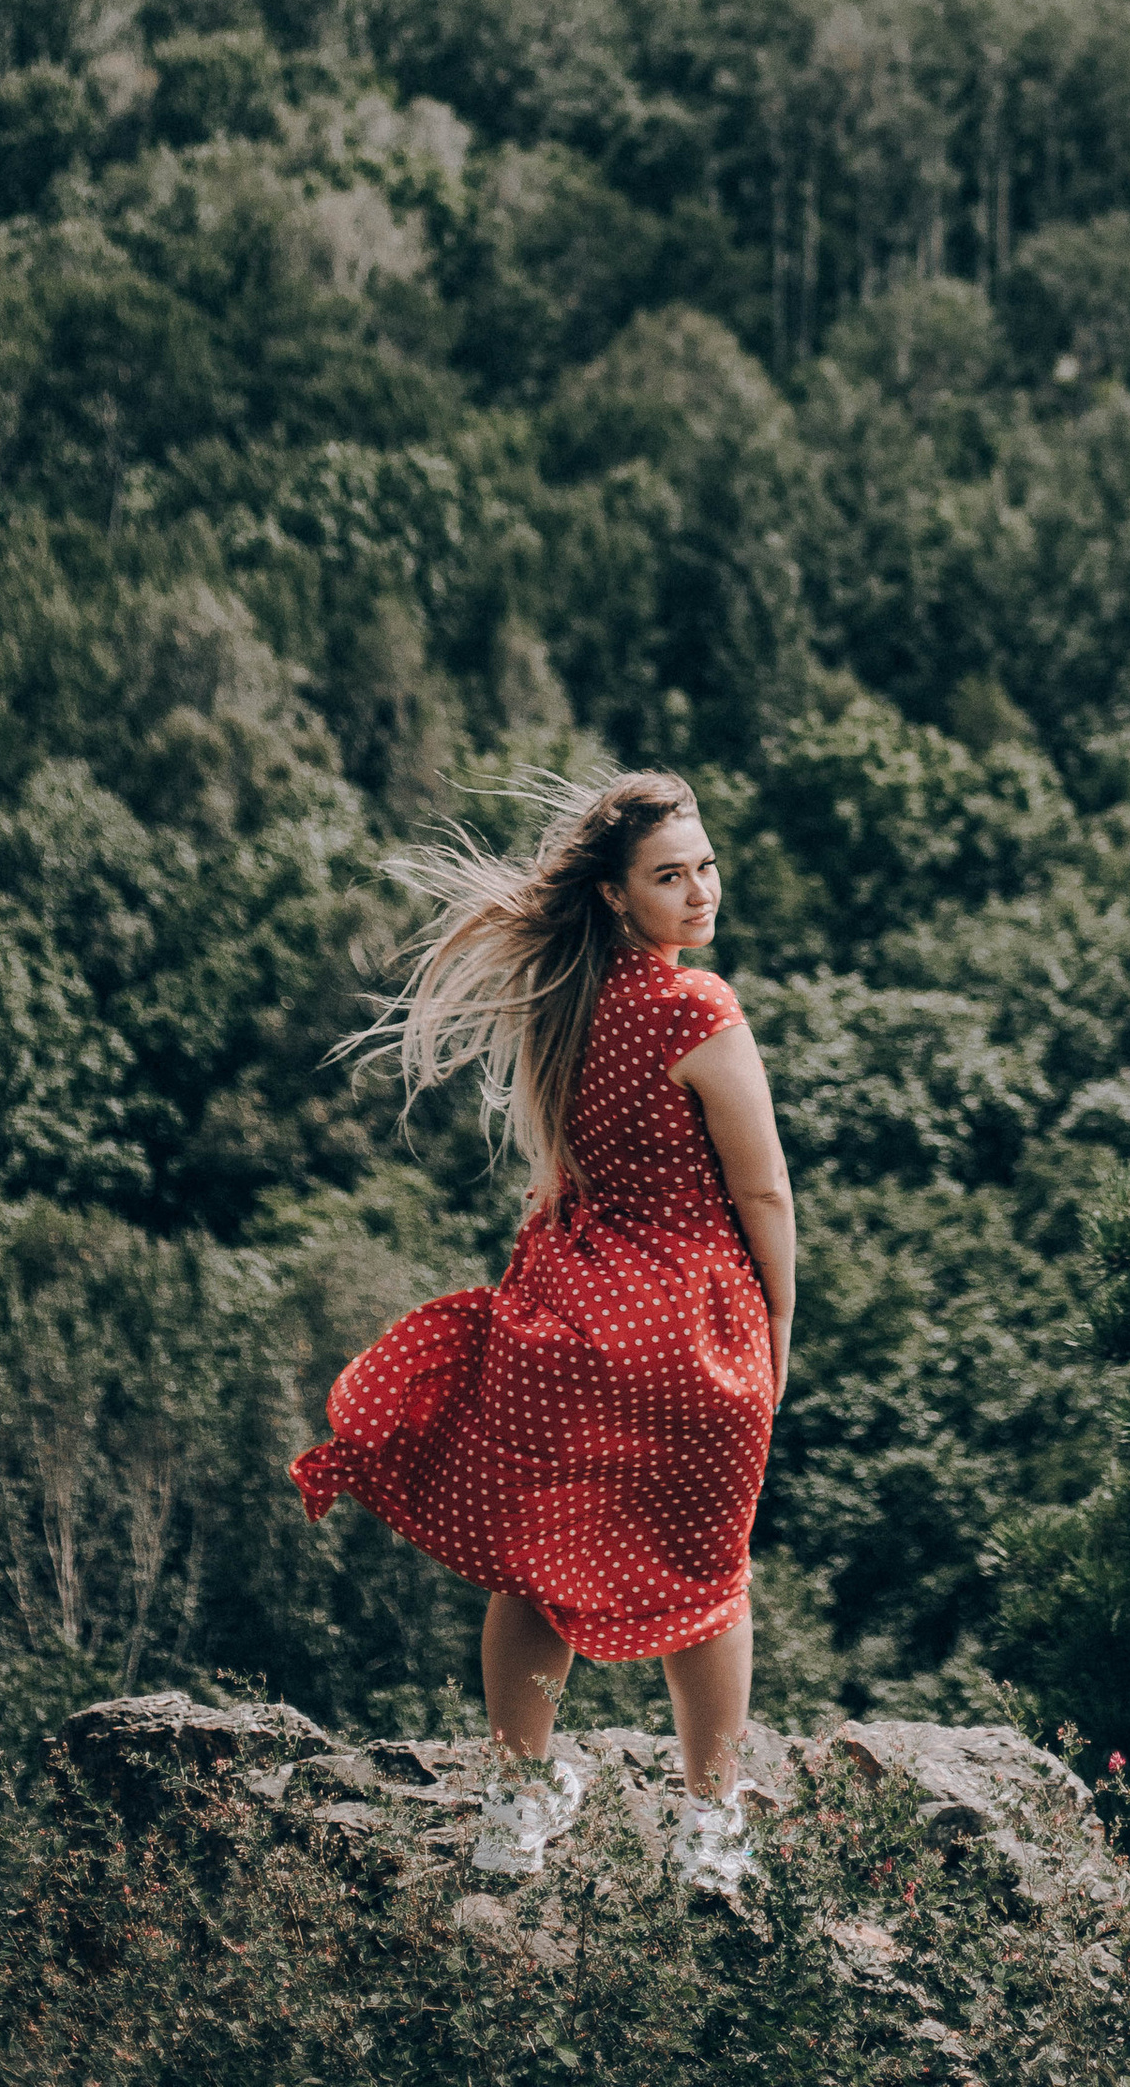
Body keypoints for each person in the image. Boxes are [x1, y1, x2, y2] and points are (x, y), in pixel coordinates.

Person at [290, 769, 794, 1899]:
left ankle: (519, 1802)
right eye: (671, 875)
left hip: (565, 1325)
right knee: (708, 1579)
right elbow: (761, 1195)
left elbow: (556, 1168)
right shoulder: (695, 1007)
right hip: (687, 1330)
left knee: (533, 1567)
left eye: (705, 865)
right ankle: (708, 1823)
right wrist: (777, 1331)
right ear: (617, 894)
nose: (701, 890)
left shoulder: (562, 999)